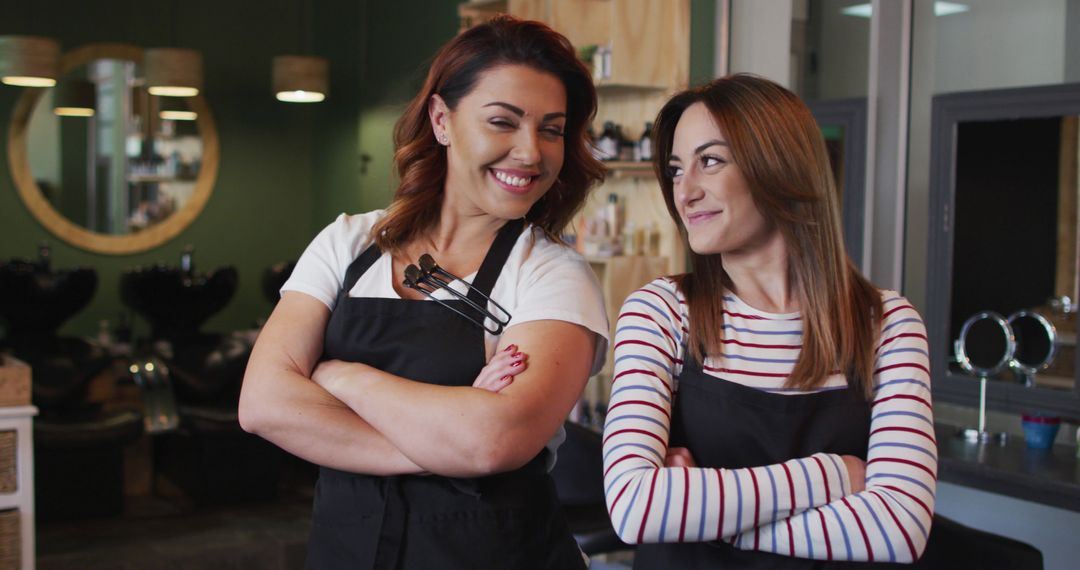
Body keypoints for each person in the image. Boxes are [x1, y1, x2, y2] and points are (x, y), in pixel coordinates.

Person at [238, 16, 609, 569]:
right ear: (442, 120)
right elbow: (263, 404)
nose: (531, 152)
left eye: (551, 129)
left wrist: (340, 375)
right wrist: (443, 447)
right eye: (503, 122)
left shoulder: (553, 275)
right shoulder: (347, 243)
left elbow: (492, 440)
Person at [602, 74, 936, 568]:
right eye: (676, 169)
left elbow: (898, 530)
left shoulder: (887, 324)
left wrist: (705, 520)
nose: (684, 191)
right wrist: (835, 476)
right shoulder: (661, 312)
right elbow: (635, 508)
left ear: (778, 166)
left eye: (709, 161)